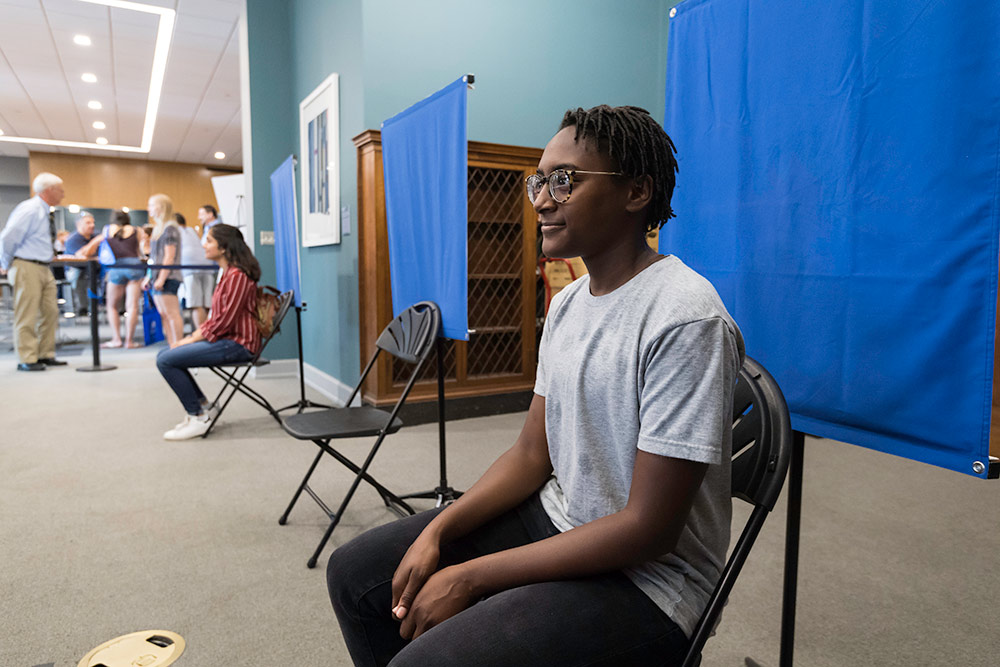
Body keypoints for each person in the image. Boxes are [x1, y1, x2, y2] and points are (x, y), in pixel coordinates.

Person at [326, 105, 745, 666]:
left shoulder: (686, 318)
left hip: (648, 580)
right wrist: (440, 529)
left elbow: (648, 530)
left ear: (637, 192)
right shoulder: (570, 302)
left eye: (564, 180)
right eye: (539, 181)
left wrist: (469, 576)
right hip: (556, 518)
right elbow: (529, 454)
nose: (543, 199)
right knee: (354, 576)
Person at [155, 223, 261, 441]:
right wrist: (189, 339)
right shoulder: (228, 273)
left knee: (166, 360)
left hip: (239, 345)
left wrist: (190, 339)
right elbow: (217, 319)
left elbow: (223, 322)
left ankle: (198, 416)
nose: (204, 245)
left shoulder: (237, 276)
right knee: (165, 356)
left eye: (209, 240)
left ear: (223, 247)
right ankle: (204, 407)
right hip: (228, 340)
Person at [0, 172, 69, 371]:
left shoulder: (46, 212)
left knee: (50, 312)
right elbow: (8, 237)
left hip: (44, 267)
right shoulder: (29, 209)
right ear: (49, 190)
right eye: (60, 190)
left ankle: (45, 354)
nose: (63, 194)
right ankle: (27, 358)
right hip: (26, 265)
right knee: (27, 314)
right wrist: (5, 262)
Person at [142, 193, 185, 346]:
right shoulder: (159, 229)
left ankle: (177, 346)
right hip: (157, 276)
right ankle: (172, 345)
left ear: (160, 207)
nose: (149, 209)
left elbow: (169, 257)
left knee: (172, 314)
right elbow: (155, 257)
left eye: (151, 205)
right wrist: (149, 277)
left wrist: (161, 278)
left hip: (168, 277)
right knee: (164, 314)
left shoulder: (170, 228)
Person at [102, 210, 146, 348]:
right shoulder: (136, 230)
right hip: (134, 266)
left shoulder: (107, 229)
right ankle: (129, 341)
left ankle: (116, 339)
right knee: (132, 306)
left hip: (115, 267)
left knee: (112, 305)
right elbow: (141, 251)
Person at [176, 211, 217, 332]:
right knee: (207, 304)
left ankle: (202, 335)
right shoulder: (191, 231)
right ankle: (209, 332)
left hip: (191, 270)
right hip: (207, 268)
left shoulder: (176, 232)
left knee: (196, 304)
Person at [63, 212, 101, 316]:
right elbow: (81, 256)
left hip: (94, 269)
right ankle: (82, 308)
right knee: (80, 277)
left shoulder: (96, 235)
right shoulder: (72, 239)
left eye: (93, 223)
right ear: (78, 224)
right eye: (88, 223)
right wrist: (94, 244)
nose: (92, 225)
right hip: (75, 269)